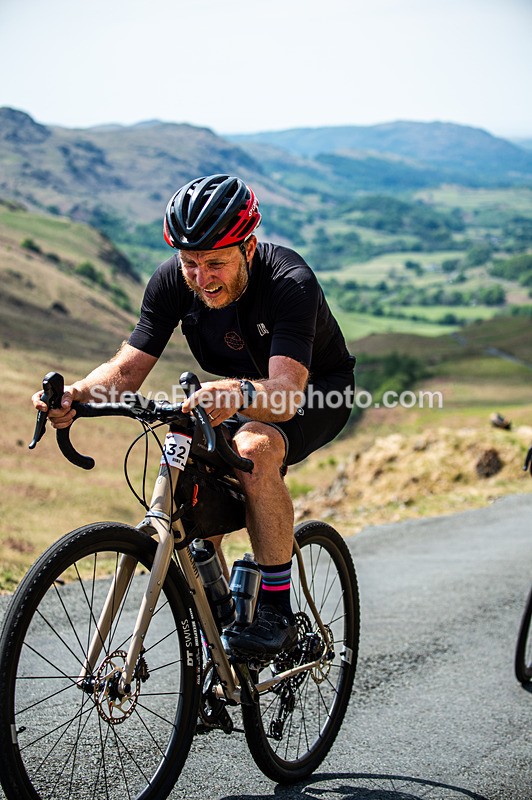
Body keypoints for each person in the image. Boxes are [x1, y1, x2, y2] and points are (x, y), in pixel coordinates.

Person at [32, 174, 355, 658]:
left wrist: (238, 391)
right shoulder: (171, 282)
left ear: (248, 247)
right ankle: (216, 638)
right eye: (191, 263)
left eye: (215, 263)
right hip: (230, 394)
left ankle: (276, 611)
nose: (202, 278)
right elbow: (126, 371)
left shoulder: (291, 283)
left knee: (254, 447)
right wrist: (75, 396)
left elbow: (285, 397)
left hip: (314, 391)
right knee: (188, 472)